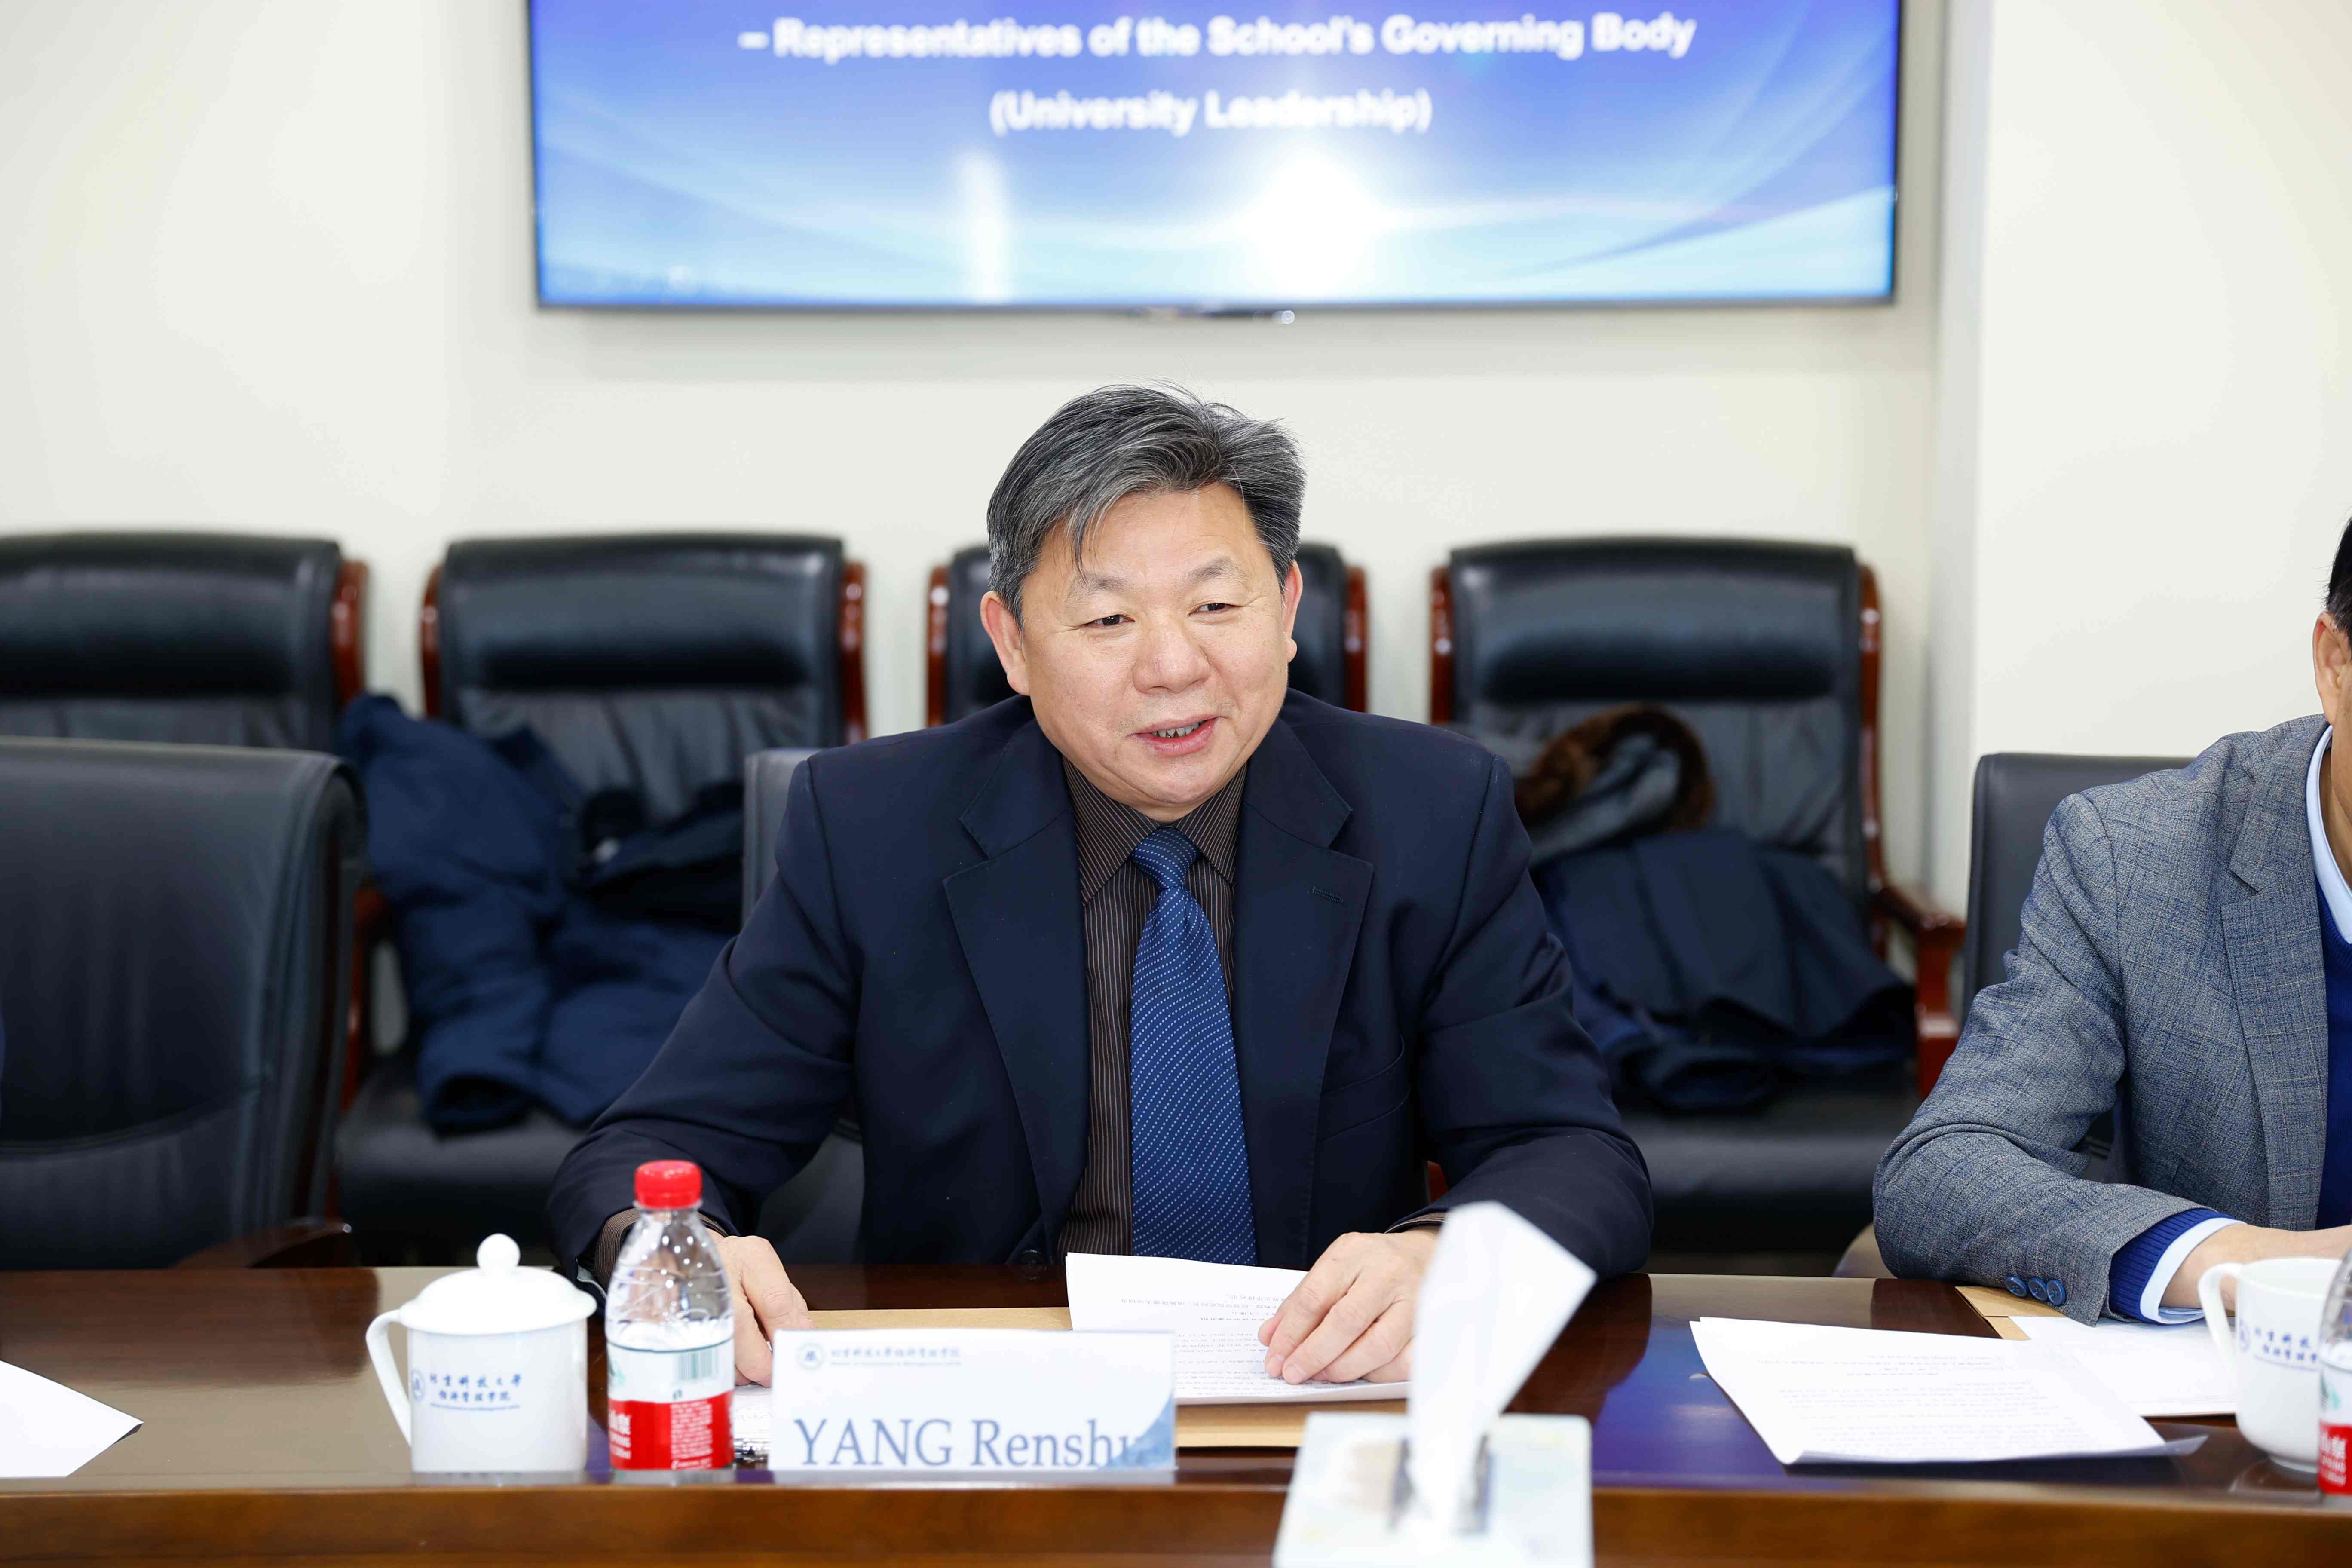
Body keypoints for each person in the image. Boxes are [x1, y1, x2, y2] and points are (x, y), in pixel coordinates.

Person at [548, 384, 1651, 1384]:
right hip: (987, 1413)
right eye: (1108, 619)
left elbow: (1569, 1151)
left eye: (1216, 607)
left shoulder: (1432, 812)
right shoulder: (873, 828)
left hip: (1311, 1394)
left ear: (1287, 609)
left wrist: (1449, 1250)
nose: (1173, 666)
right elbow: (645, 1151)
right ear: (1013, 644)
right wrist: (676, 1248)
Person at [1875, 517, 2352, 1323]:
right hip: (2227, 1387)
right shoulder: (2138, 861)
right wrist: (2247, 1263)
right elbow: (1942, 1173)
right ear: (2335, 664)